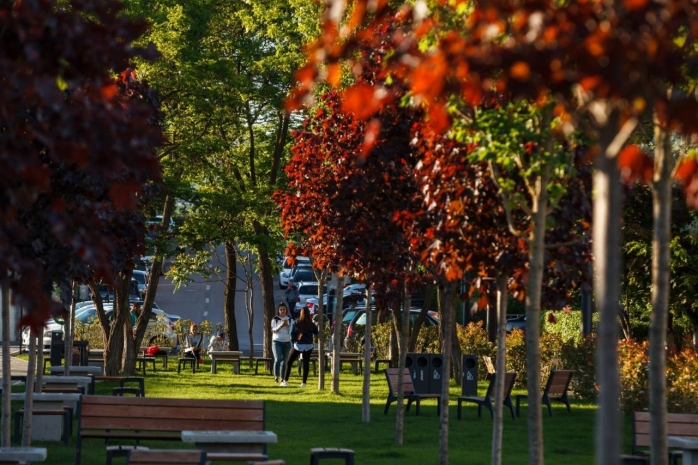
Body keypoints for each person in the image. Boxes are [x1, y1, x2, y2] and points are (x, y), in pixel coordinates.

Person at [280, 306, 318, 387]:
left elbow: (291, 334)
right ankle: (304, 383)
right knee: (306, 364)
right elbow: (316, 332)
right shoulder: (311, 324)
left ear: (301, 313)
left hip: (298, 345)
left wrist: (292, 343)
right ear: (308, 314)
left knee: (289, 362)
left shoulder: (296, 322)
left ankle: (285, 381)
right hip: (308, 345)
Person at [271, 303, 292, 383]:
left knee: (285, 361)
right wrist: (281, 326)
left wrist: (288, 326)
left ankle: (282, 377)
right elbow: (273, 330)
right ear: (278, 311)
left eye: (284, 309)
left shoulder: (290, 319)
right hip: (277, 341)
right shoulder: (275, 319)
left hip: (287, 342)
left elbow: (292, 331)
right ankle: (276, 376)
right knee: (278, 358)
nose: (282, 311)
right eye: (281, 309)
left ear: (286, 310)